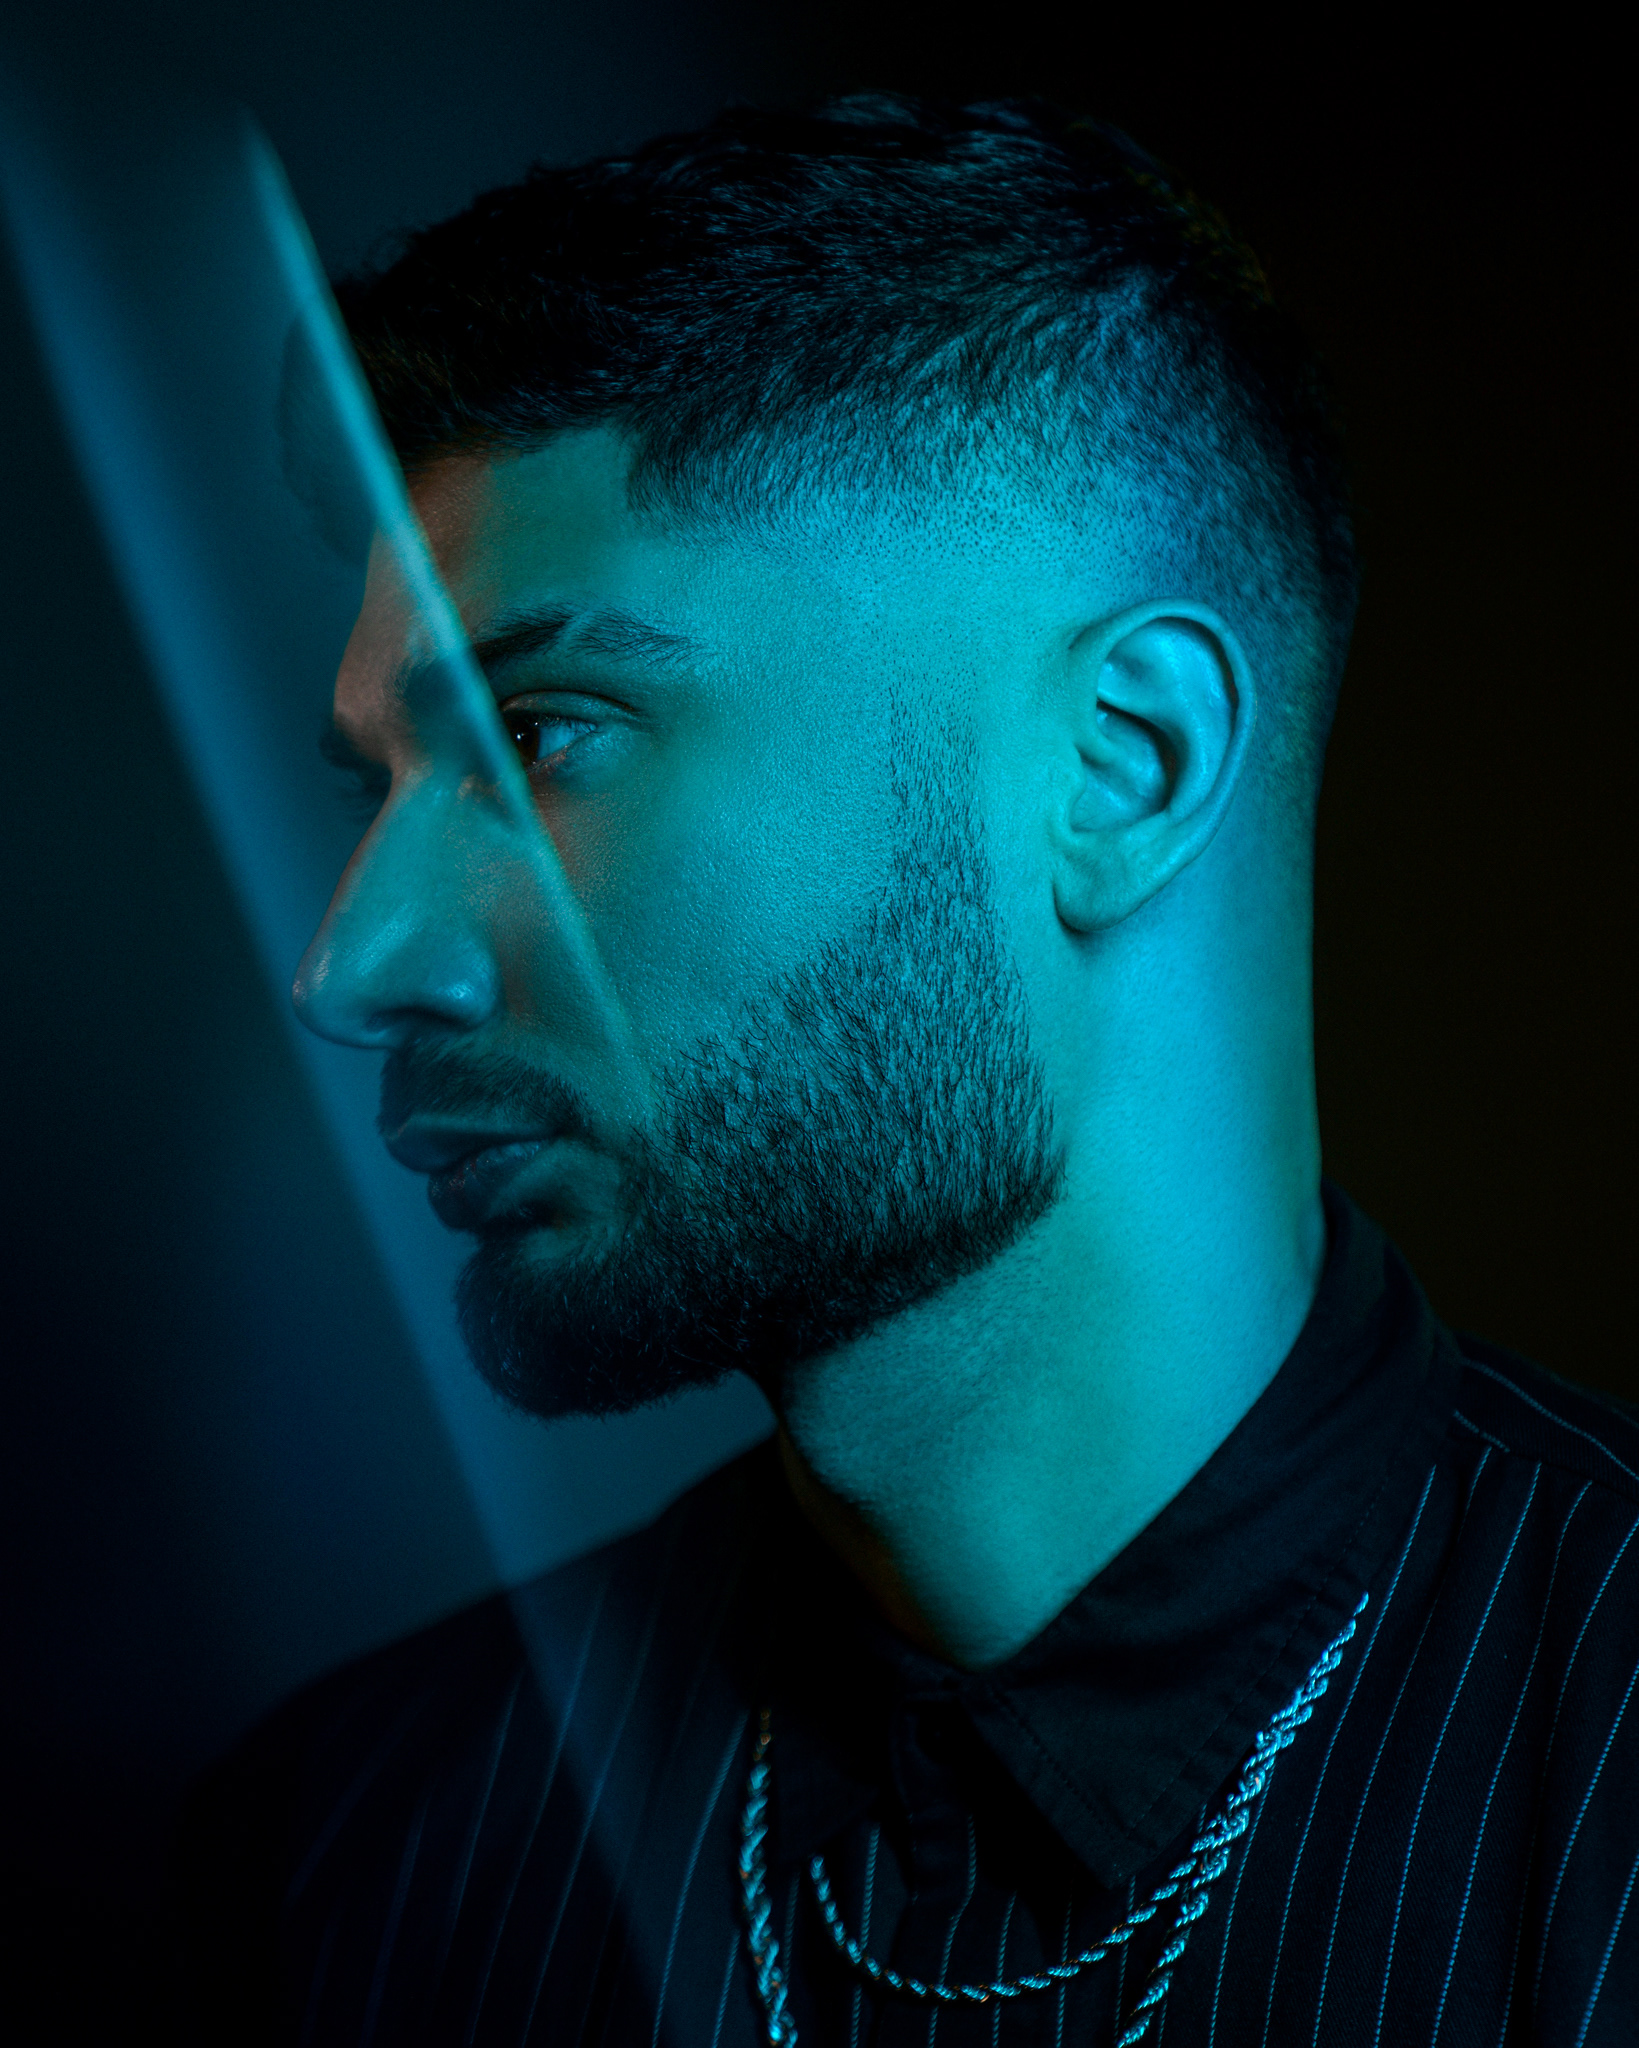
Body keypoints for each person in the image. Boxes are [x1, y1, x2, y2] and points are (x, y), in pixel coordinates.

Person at [174, 95, 1639, 2045]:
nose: (356, 964)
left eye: (542, 736)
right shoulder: (355, 1861)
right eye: (375, 790)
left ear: (1122, 767)